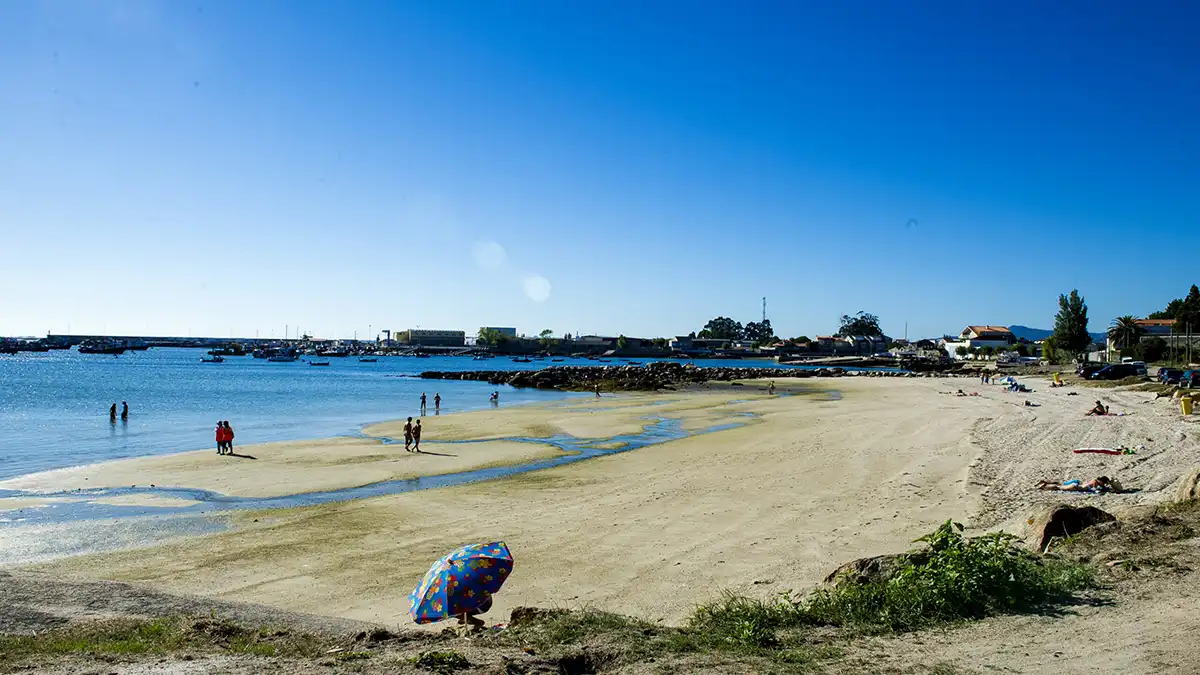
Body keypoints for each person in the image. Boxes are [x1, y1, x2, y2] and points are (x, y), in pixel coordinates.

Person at [1037, 476, 1112, 492]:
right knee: (1058, 487)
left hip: (1076, 485)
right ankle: (1044, 486)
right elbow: (1096, 490)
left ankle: (1045, 483)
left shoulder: (1095, 480)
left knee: (1059, 485)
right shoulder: (1095, 482)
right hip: (1076, 487)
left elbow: (1103, 487)